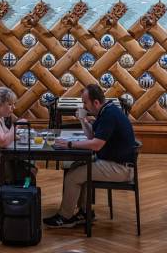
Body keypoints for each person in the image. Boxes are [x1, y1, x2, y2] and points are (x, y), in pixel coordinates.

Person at [44, 84, 137, 228]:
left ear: (96, 102)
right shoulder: (106, 110)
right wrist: (83, 120)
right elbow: (91, 136)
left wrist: (70, 144)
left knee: (73, 176)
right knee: (75, 166)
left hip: (121, 168)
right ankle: (84, 212)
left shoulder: (109, 115)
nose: (83, 106)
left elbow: (96, 145)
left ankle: (65, 217)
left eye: (85, 103)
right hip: (113, 162)